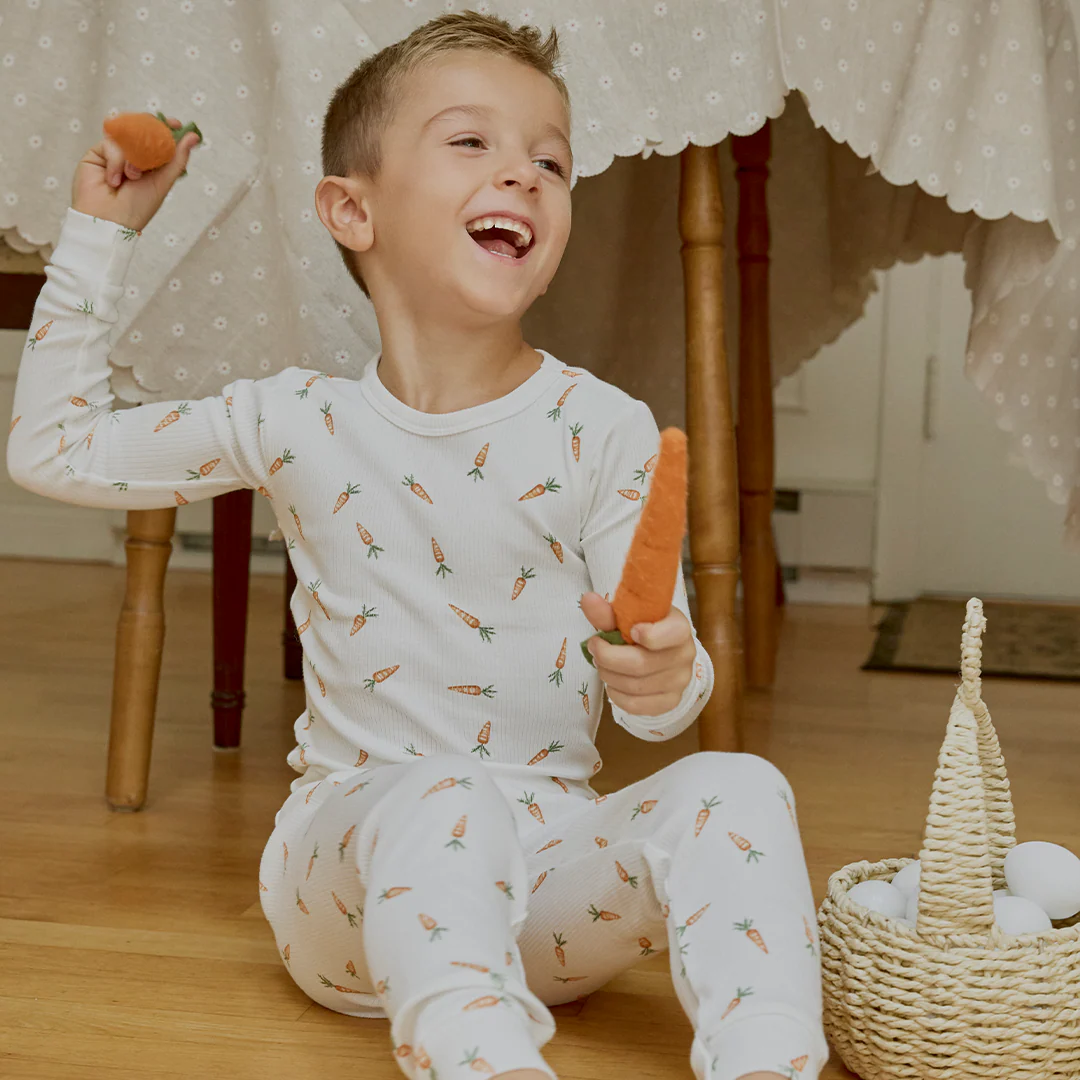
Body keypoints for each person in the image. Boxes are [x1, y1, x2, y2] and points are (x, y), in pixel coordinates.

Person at [7, 11, 826, 1080]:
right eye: (471, 142)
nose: (525, 176)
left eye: (551, 160)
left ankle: (768, 1061)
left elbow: (655, 706)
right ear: (354, 209)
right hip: (348, 890)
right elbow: (51, 449)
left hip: (545, 898)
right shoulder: (298, 420)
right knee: (448, 798)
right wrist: (98, 237)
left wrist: (669, 668)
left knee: (742, 785)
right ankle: (480, 1056)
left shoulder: (607, 430)